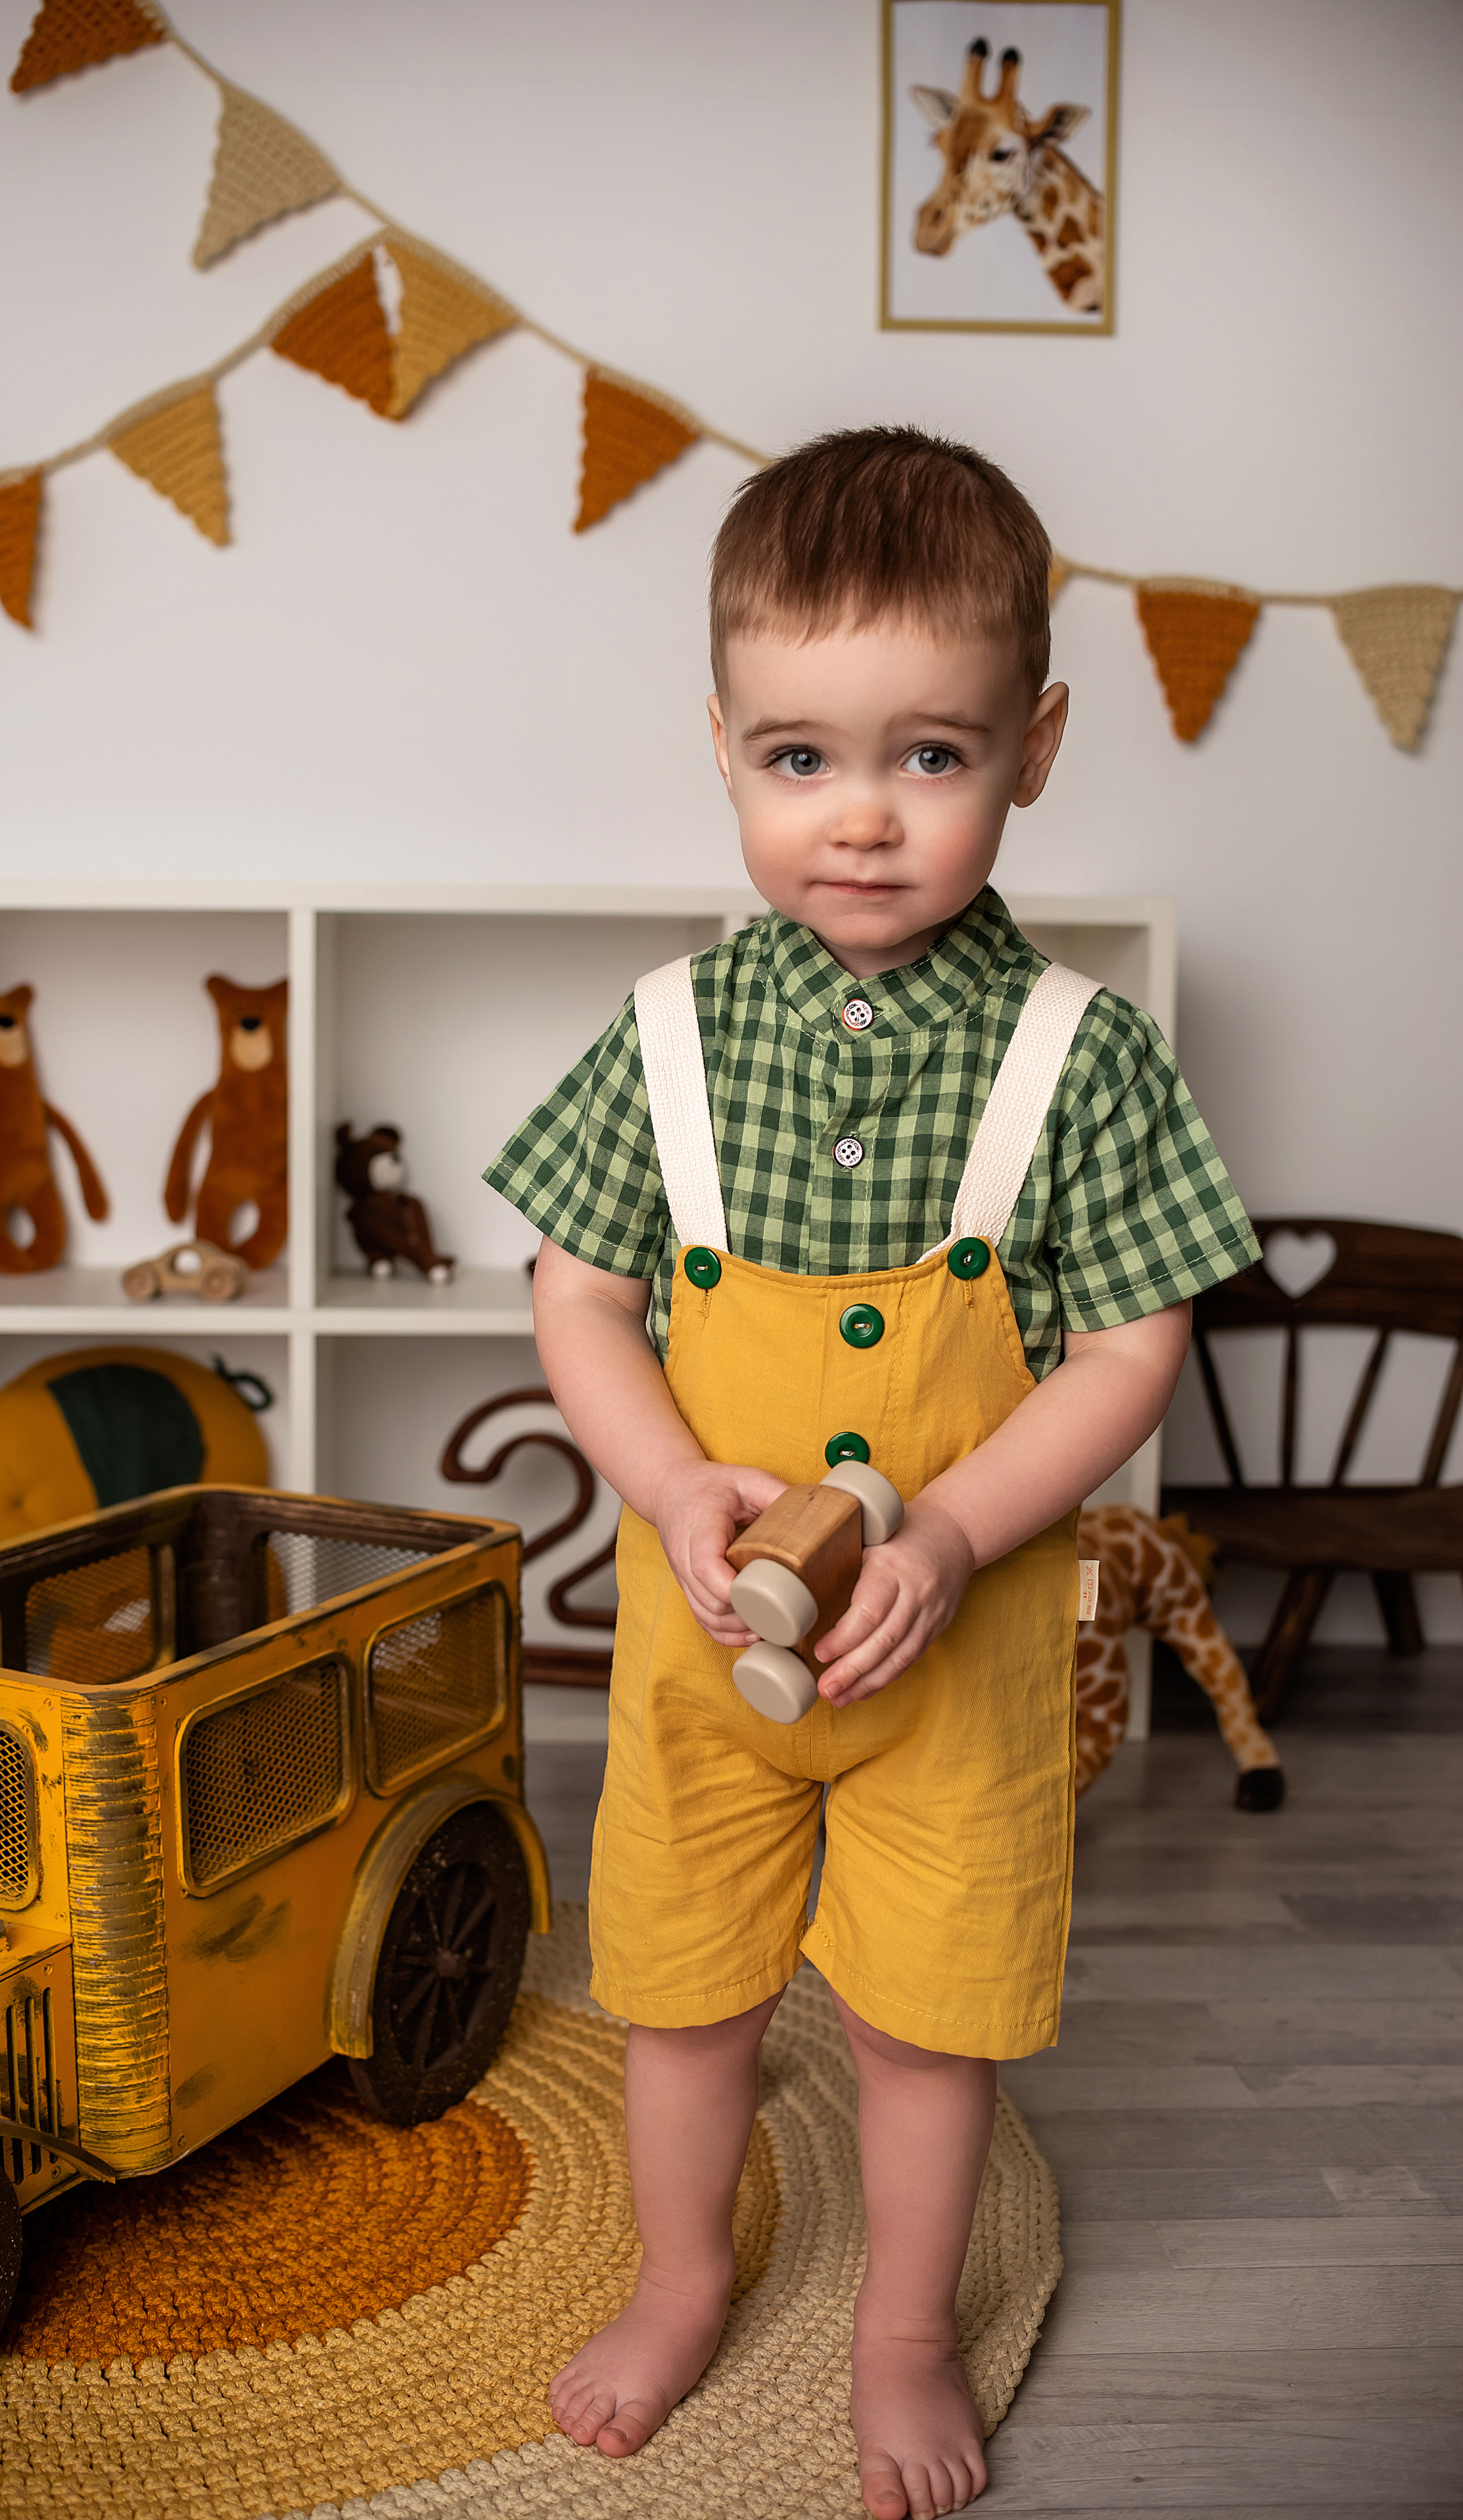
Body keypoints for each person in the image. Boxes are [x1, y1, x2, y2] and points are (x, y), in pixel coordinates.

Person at [483, 426, 1258, 2520]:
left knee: (932, 2016)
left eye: (931, 754)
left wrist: (962, 1523)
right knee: (683, 1988)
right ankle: (684, 2272)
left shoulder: (1077, 1055)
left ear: (1038, 743)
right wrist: (664, 1483)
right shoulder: (664, 1038)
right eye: (801, 758)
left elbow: (1134, 1343)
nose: (862, 819)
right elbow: (577, 1303)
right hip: (700, 1647)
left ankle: (905, 2323)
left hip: (960, 1653)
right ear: (721, 745)